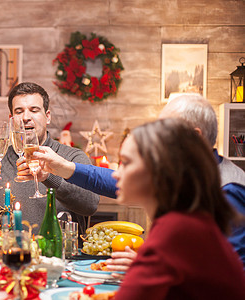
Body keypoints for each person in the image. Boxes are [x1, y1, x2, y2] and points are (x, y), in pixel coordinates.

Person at [35, 118, 245, 298]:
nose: (115, 173)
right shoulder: (185, 221)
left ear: (156, 173)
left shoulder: (173, 234)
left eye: (125, 163)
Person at [0, 82, 99, 235]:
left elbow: (90, 205)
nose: (26, 117)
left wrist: (48, 178)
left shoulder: (72, 157)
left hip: (61, 257)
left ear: (47, 117)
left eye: (34, 110)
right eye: (19, 111)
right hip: (10, 256)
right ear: (11, 120)